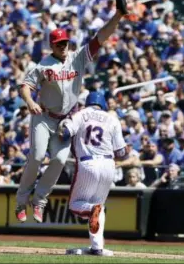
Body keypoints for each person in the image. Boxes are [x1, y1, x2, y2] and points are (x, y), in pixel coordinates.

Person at [15, 0, 128, 223]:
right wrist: (30, 101)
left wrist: (117, 16)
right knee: (36, 156)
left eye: (65, 42)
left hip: (66, 120)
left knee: (57, 160)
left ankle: (39, 201)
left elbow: (100, 38)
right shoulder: (43, 65)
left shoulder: (77, 58)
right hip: (44, 117)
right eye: (59, 43)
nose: (64, 46)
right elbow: (24, 87)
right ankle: (21, 200)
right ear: (52, 45)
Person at [59, 92, 126, 256]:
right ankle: (97, 247)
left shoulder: (80, 114)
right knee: (99, 207)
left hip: (88, 162)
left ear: (88, 102)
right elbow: (122, 152)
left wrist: (62, 125)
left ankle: (91, 210)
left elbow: (65, 134)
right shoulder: (112, 119)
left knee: (75, 206)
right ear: (103, 103)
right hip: (109, 165)